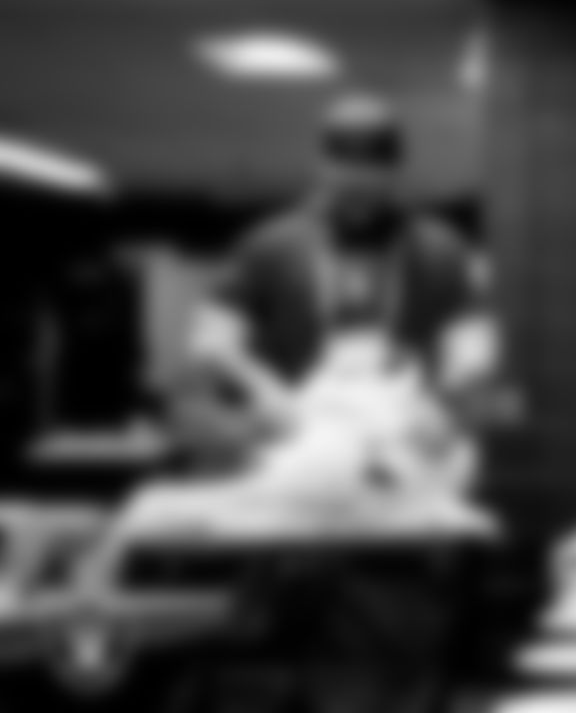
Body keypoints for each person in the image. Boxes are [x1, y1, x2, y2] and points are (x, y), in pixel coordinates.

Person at [160, 91, 512, 713]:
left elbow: (477, 364)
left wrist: (444, 415)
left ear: (396, 173)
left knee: (400, 658)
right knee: (306, 653)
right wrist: (258, 410)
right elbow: (208, 353)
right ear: (320, 167)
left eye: (373, 180)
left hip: (402, 491)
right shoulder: (268, 248)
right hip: (302, 485)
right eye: (344, 178)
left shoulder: (441, 252)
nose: (358, 196)